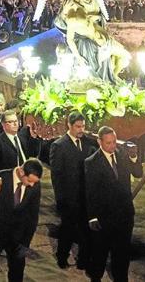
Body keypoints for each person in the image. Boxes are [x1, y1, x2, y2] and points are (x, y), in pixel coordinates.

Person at [83, 126, 142, 282]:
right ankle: (96, 277)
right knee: (100, 253)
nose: (112, 146)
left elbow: (138, 173)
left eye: (114, 142)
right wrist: (93, 216)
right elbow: (91, 192)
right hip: (104, 217)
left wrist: (134, 156)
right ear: (99, 141)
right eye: (108, 143)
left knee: (122, 253)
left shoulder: (123, 155)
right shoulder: (92, 162)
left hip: (125, 215)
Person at [55, 0, 131, 84]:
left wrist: (96, 18)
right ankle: (108, 81)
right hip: (86, 39)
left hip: (100, 34)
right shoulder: (72, 3)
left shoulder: (93, 0)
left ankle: (113, 78)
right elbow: (63, 20)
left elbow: (100, 17)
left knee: (125, 57)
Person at [0, 158, 43, 282]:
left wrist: (25, 244)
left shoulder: (35, 186)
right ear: (21, 172)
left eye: (34, 182)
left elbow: (33, 217)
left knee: (17, 273)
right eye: (30, 181)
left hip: (17, 237)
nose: (32, 185)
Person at [49, 112, 97, 271]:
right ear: (69, 125)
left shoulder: (89, 143)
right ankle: (62, 257)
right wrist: (61, 199)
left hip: (85, 196)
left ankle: (83, 260)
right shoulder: (59, 145)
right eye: (78, 126)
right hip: (69, 198)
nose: (81, 129)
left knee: (86, 230)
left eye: (83, 126)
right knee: (67, 230)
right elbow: (56, 176)